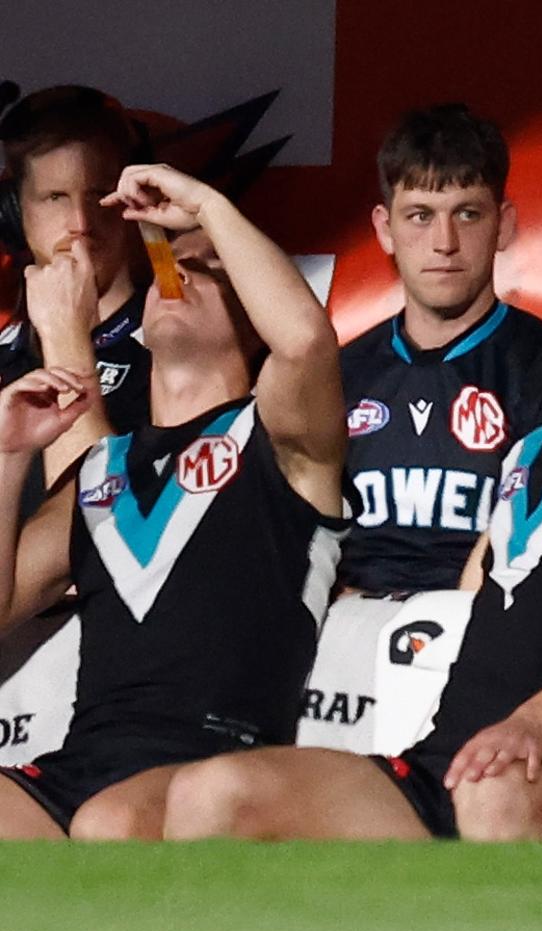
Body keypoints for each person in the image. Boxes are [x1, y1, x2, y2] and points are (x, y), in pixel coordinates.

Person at [164, 189, 542, 842]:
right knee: (213, 791)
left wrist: (534, 723)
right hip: (448, 761)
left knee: (494, 795)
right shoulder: (531, 449)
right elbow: (476, 601)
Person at [0, 163, 353, 840]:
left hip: (216, 765)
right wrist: (10, 455)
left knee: (109, 823)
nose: (177, 271)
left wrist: (205, 202)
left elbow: (306, 339)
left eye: (210, 267)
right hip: (82, 768)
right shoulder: (103, 467)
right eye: (168, 258)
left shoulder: (280, 441)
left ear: (253, 320)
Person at [299, 103, 542, 752]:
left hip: (483, 644)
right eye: (420, 215)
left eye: (468, 214)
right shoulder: (337, 373)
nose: (444, 243)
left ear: (504, 225)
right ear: (385, 228)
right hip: (337, 640)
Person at [0, 84, 152, 497]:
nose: (80, 222)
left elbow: (109, 526)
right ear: (15, 214)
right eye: (54, 197)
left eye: (99, 195)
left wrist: (66, 337)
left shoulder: (175, 342)